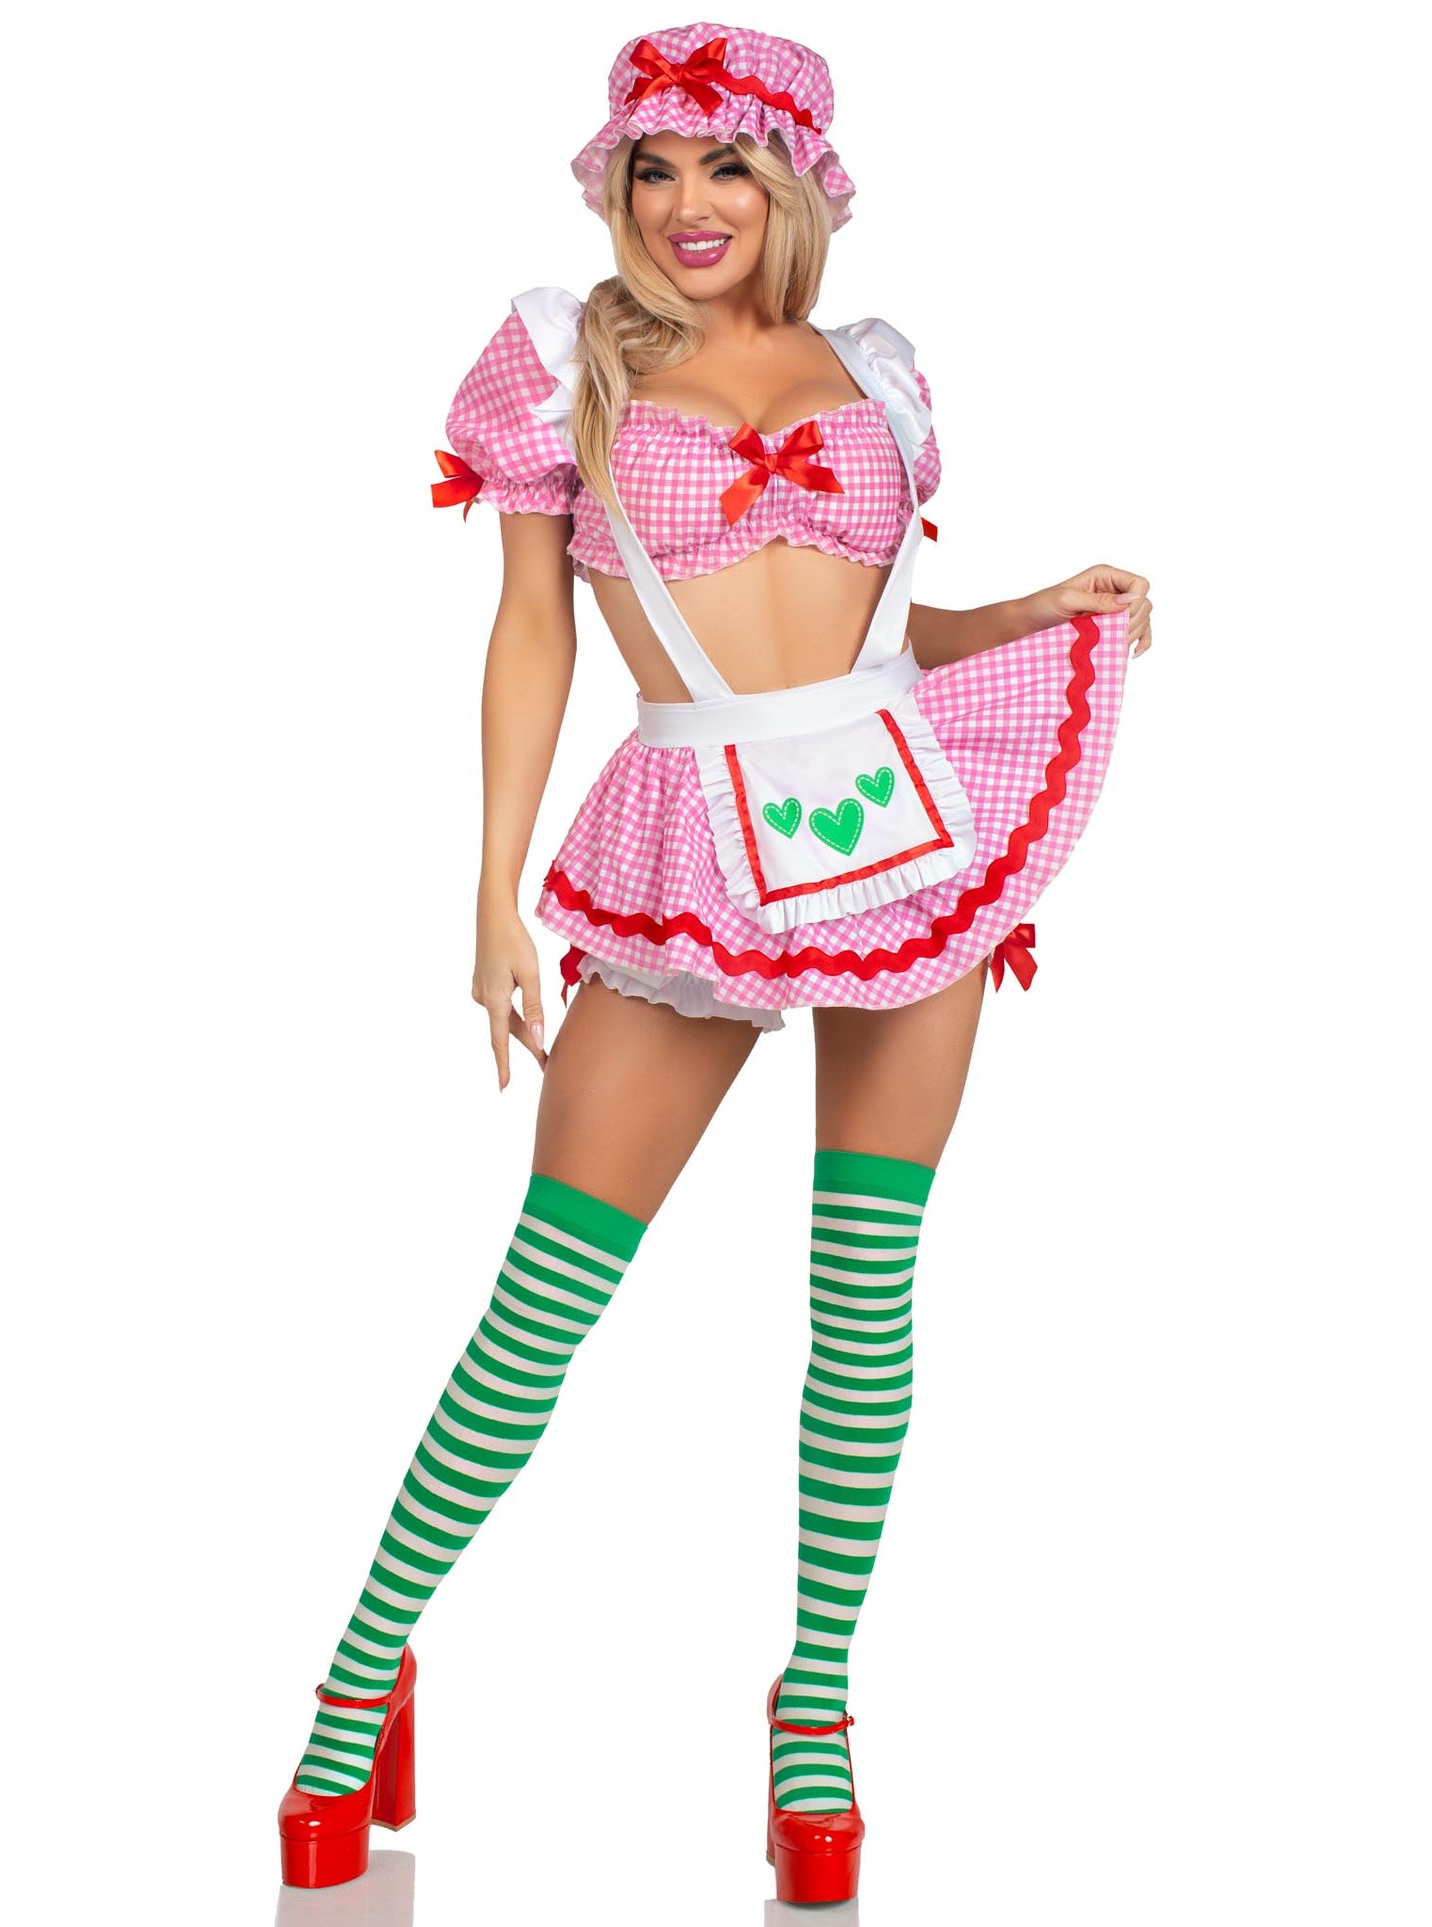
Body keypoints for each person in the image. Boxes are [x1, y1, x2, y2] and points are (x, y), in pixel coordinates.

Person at [277, 20, 1152, 1903]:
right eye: (652, 169)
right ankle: (360, 1674)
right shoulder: (558, 364)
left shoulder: (879, 370)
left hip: (903, 842)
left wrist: (1034, 607)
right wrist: (491, 897)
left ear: (793, 185)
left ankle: (812, 1701)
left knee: (864, 1290)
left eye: (725, 166)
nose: (686, 204)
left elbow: (877, 638)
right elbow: (534, 635)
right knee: (545, 1297)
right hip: (687, 844)